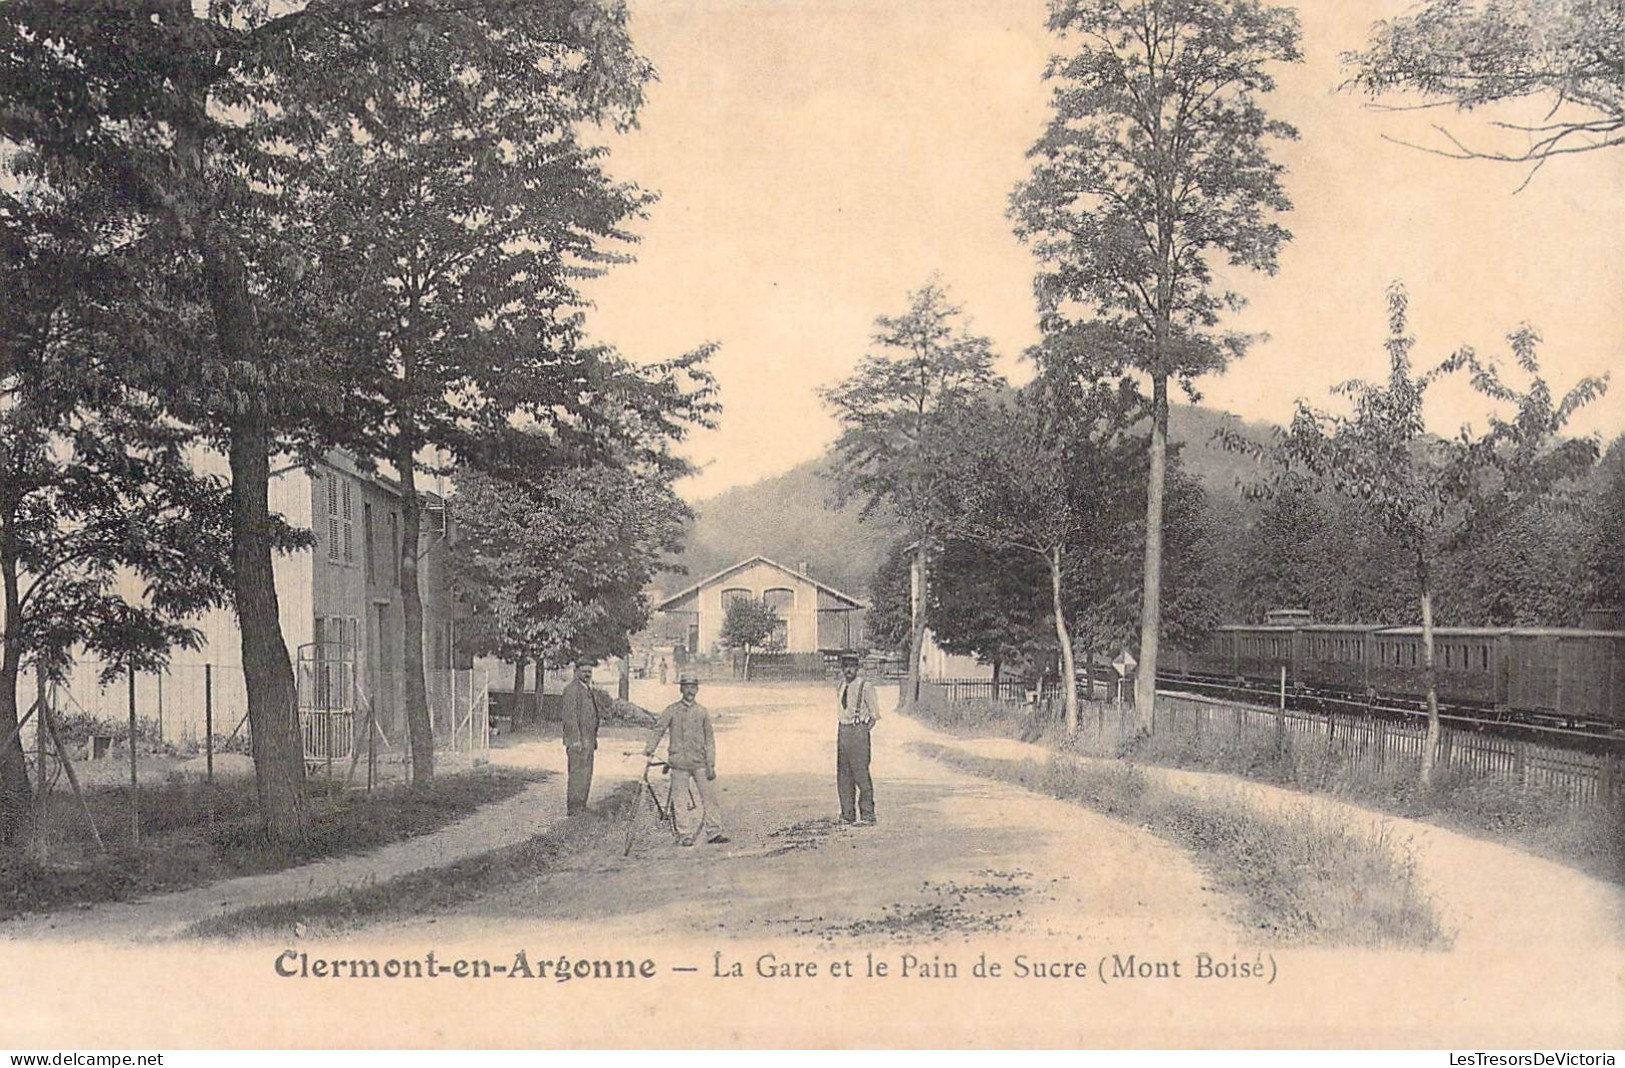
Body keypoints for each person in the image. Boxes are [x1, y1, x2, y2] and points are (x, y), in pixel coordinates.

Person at [645, 674, 728, 846]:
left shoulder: (702, 712)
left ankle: (714, 832)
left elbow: (710, 740)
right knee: (680, 799)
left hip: (700, 763)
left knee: (710, 797)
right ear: (681, 689)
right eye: (686, 686)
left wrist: (711, 764)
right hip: (679, 763)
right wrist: (649, 749)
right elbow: (658, 729)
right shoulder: (671, 710)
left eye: (693, 687)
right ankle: (685, 835)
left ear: (697, 689)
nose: (690, 690)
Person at [835, 653, 880, 825]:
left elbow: (874, 716)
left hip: (858, 731)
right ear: (842, 668)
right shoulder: (840, 686)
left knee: (861, 773)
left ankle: (868, 815)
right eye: (845, 667)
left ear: (857, 667)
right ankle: (847, 814)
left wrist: (861, 731)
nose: (848, 670)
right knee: (844, 775)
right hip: (843, 731)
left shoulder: (865, 686)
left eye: (852, 666)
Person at [560, 659, 605, 815]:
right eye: (584, 671)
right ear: (576, 671)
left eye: (589, 672)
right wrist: (575, 740)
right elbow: (570, 717)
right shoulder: (572, 690)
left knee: (586, 773)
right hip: (578, 741)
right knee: (577, 773)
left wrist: (593, 738)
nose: (587, 674)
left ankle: (581, 804)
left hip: (588, 740)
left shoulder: (586, 689)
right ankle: (574, 807)